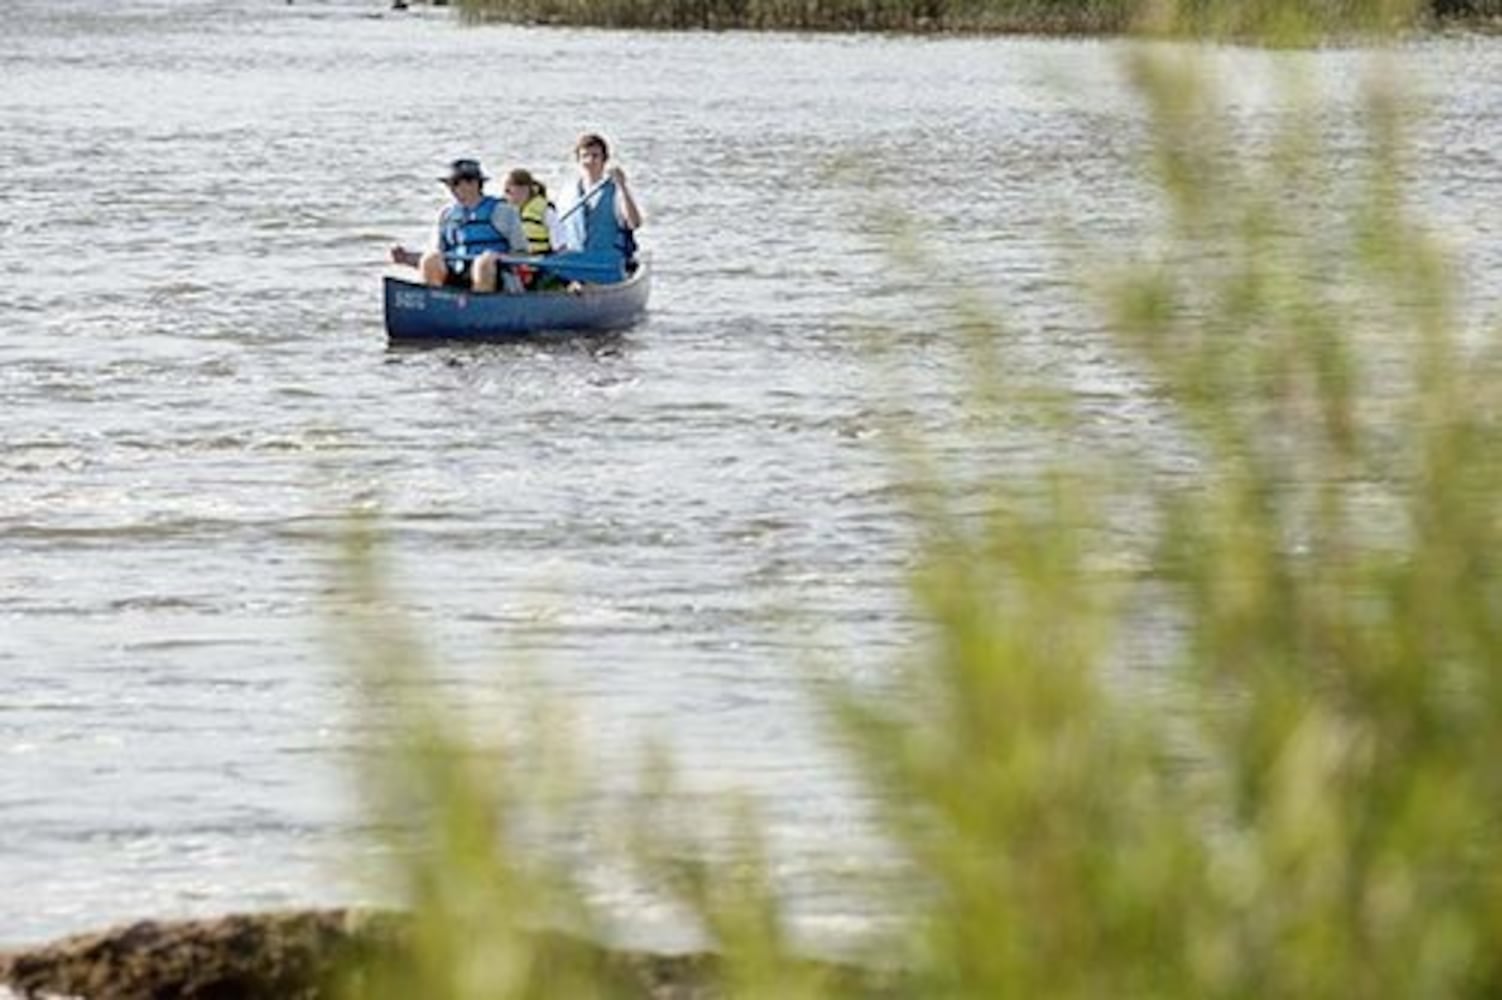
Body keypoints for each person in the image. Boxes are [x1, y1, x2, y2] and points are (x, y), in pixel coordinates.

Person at [389, 158, 529, 294]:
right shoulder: (447, 215)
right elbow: (439, 253)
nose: (452, 189)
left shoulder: (502, 210)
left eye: (456, 183)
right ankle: (435, 301)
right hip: (456, 274)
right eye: (450, 184)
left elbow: (521, 252)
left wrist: (494, 258)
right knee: (430, 258)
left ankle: (480, 307)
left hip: (494, 276)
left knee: (483, 262)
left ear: (474, 183)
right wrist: (406, 258)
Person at [550, 133, 643, 285]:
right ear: (578, 160)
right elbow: (556, 230)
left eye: (595, 156)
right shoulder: (567, 191)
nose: (590, 161)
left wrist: (623, 186)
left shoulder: (615, 191)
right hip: (574, 265)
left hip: (606, 267)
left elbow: (634, 223)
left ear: (604, 160)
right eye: (585, 156)